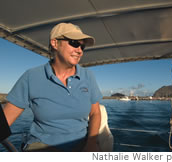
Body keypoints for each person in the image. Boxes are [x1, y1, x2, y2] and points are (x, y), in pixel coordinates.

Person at [3, 23, 103, 152]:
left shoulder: (88, 76)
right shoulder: (31, 76)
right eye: (74, 43)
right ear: (55, 43)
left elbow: (95, 113)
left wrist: (91, 143)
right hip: (42, 146)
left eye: (82, 46)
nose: (80, 50)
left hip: (81, 145)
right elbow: (6, 120)